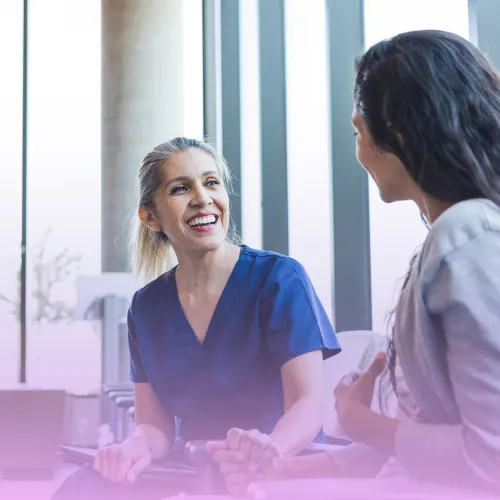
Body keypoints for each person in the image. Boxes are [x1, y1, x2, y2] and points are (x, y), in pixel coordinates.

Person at [268, 29, 500, 495]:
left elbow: (490, 458)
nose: (358, 151)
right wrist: (282, 470)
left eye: (358, 130)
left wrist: (362, 422)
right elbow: (424, 440)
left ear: (394, 132)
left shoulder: (464, 238)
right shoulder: (453, 240)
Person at [52, 137, 341, 500]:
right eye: (181, 188)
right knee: (80, 488)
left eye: (211, 182)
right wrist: (131, 448)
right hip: (195, 474)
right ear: (150, 216)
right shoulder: (146, 307)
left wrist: (269, 453)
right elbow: (154, 427)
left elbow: (308, 404)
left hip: (280, 470)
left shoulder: (279, 279)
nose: (203, 198)